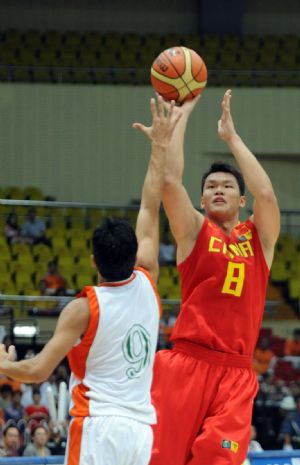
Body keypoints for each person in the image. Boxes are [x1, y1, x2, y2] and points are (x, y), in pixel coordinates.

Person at [0, 96, 181, 465]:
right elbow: (150, 205)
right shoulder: (149, 281)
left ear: (93, 260)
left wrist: (3, 364)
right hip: (142, 431)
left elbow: (36, 371)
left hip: (99, 427)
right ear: (136, 255)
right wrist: (159, 146)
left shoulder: (82, 308)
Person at [146, 89, 280, 465]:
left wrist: (231, 138)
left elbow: (267, 194)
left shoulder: (259, 239)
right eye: (210, 187)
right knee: (163, 459)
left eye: (227, 186)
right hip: (187, 363)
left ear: (241, 201)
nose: (218, 189)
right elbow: (170, 182)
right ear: (202, 202)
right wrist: (182, 116)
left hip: (236, 372)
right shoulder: (194, 232)